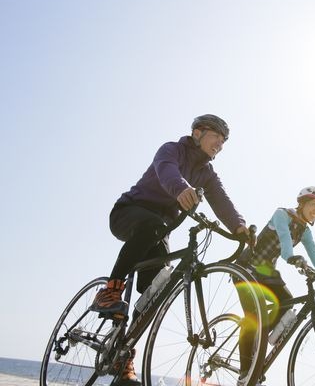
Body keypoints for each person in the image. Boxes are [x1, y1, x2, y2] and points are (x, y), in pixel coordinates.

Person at [90, 114, 248, 386]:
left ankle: (123, 353)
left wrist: (240, 226)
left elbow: (221, 199)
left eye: (224, 142)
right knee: (152, 225)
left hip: (158, 229)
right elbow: (167, 170)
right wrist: (181, 189)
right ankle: (110, 290)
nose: (220, 145)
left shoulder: (207, 173)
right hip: (129, 213)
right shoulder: (171, 149)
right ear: (198, 132)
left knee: (157, 288)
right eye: (216, 138)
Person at [236, 186, 315, 385]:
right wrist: (290, 256)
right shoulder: (282, 214)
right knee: (253, 317)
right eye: (313, 205)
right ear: (302, 203)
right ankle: (245, 371)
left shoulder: (305, 231)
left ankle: (260, 339)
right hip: (247, 268)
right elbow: (284, 237)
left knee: (287, 303)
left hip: (267, 273)